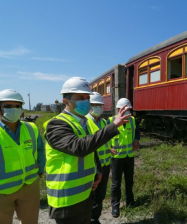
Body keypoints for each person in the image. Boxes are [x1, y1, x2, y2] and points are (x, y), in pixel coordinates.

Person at [44, 77, 130, 224]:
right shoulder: (56, 124)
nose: (85, 101)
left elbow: (92, 149)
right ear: (66, 101)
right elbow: (80, 147)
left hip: (85, 192)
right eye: (80, 98)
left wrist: (97, 171)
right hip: (67, 197)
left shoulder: (84, 123)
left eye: (86, 97)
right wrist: (113, 126)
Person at [0, 89, 45, 224]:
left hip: (29, 185)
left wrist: (40, 171)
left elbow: (40, 151)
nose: (14, 109)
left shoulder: (31, 128)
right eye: (8, 106)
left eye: (17, 106)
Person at [107, 98, 140, 218]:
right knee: (116, 183)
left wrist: (136, 139)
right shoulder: (111, 121)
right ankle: (115, 206)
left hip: (129, 156)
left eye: (128, 109)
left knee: (129, 181)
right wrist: (107, 148)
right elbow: (103, 135)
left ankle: (130, 201)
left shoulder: (132, 120)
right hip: (116, 157)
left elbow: (137, 131)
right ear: (118, 110)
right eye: (124, 109)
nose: (127, 111)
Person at [85, 92, 111, 224]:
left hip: (105, 165)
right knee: (90, 196)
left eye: (101, 105)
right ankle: (90, 219)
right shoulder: (85, 122)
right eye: (96, 105)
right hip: (92, 166)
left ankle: (95, 218)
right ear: (90, 106)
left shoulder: (104, 122)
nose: (99, 108)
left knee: (100, 195)